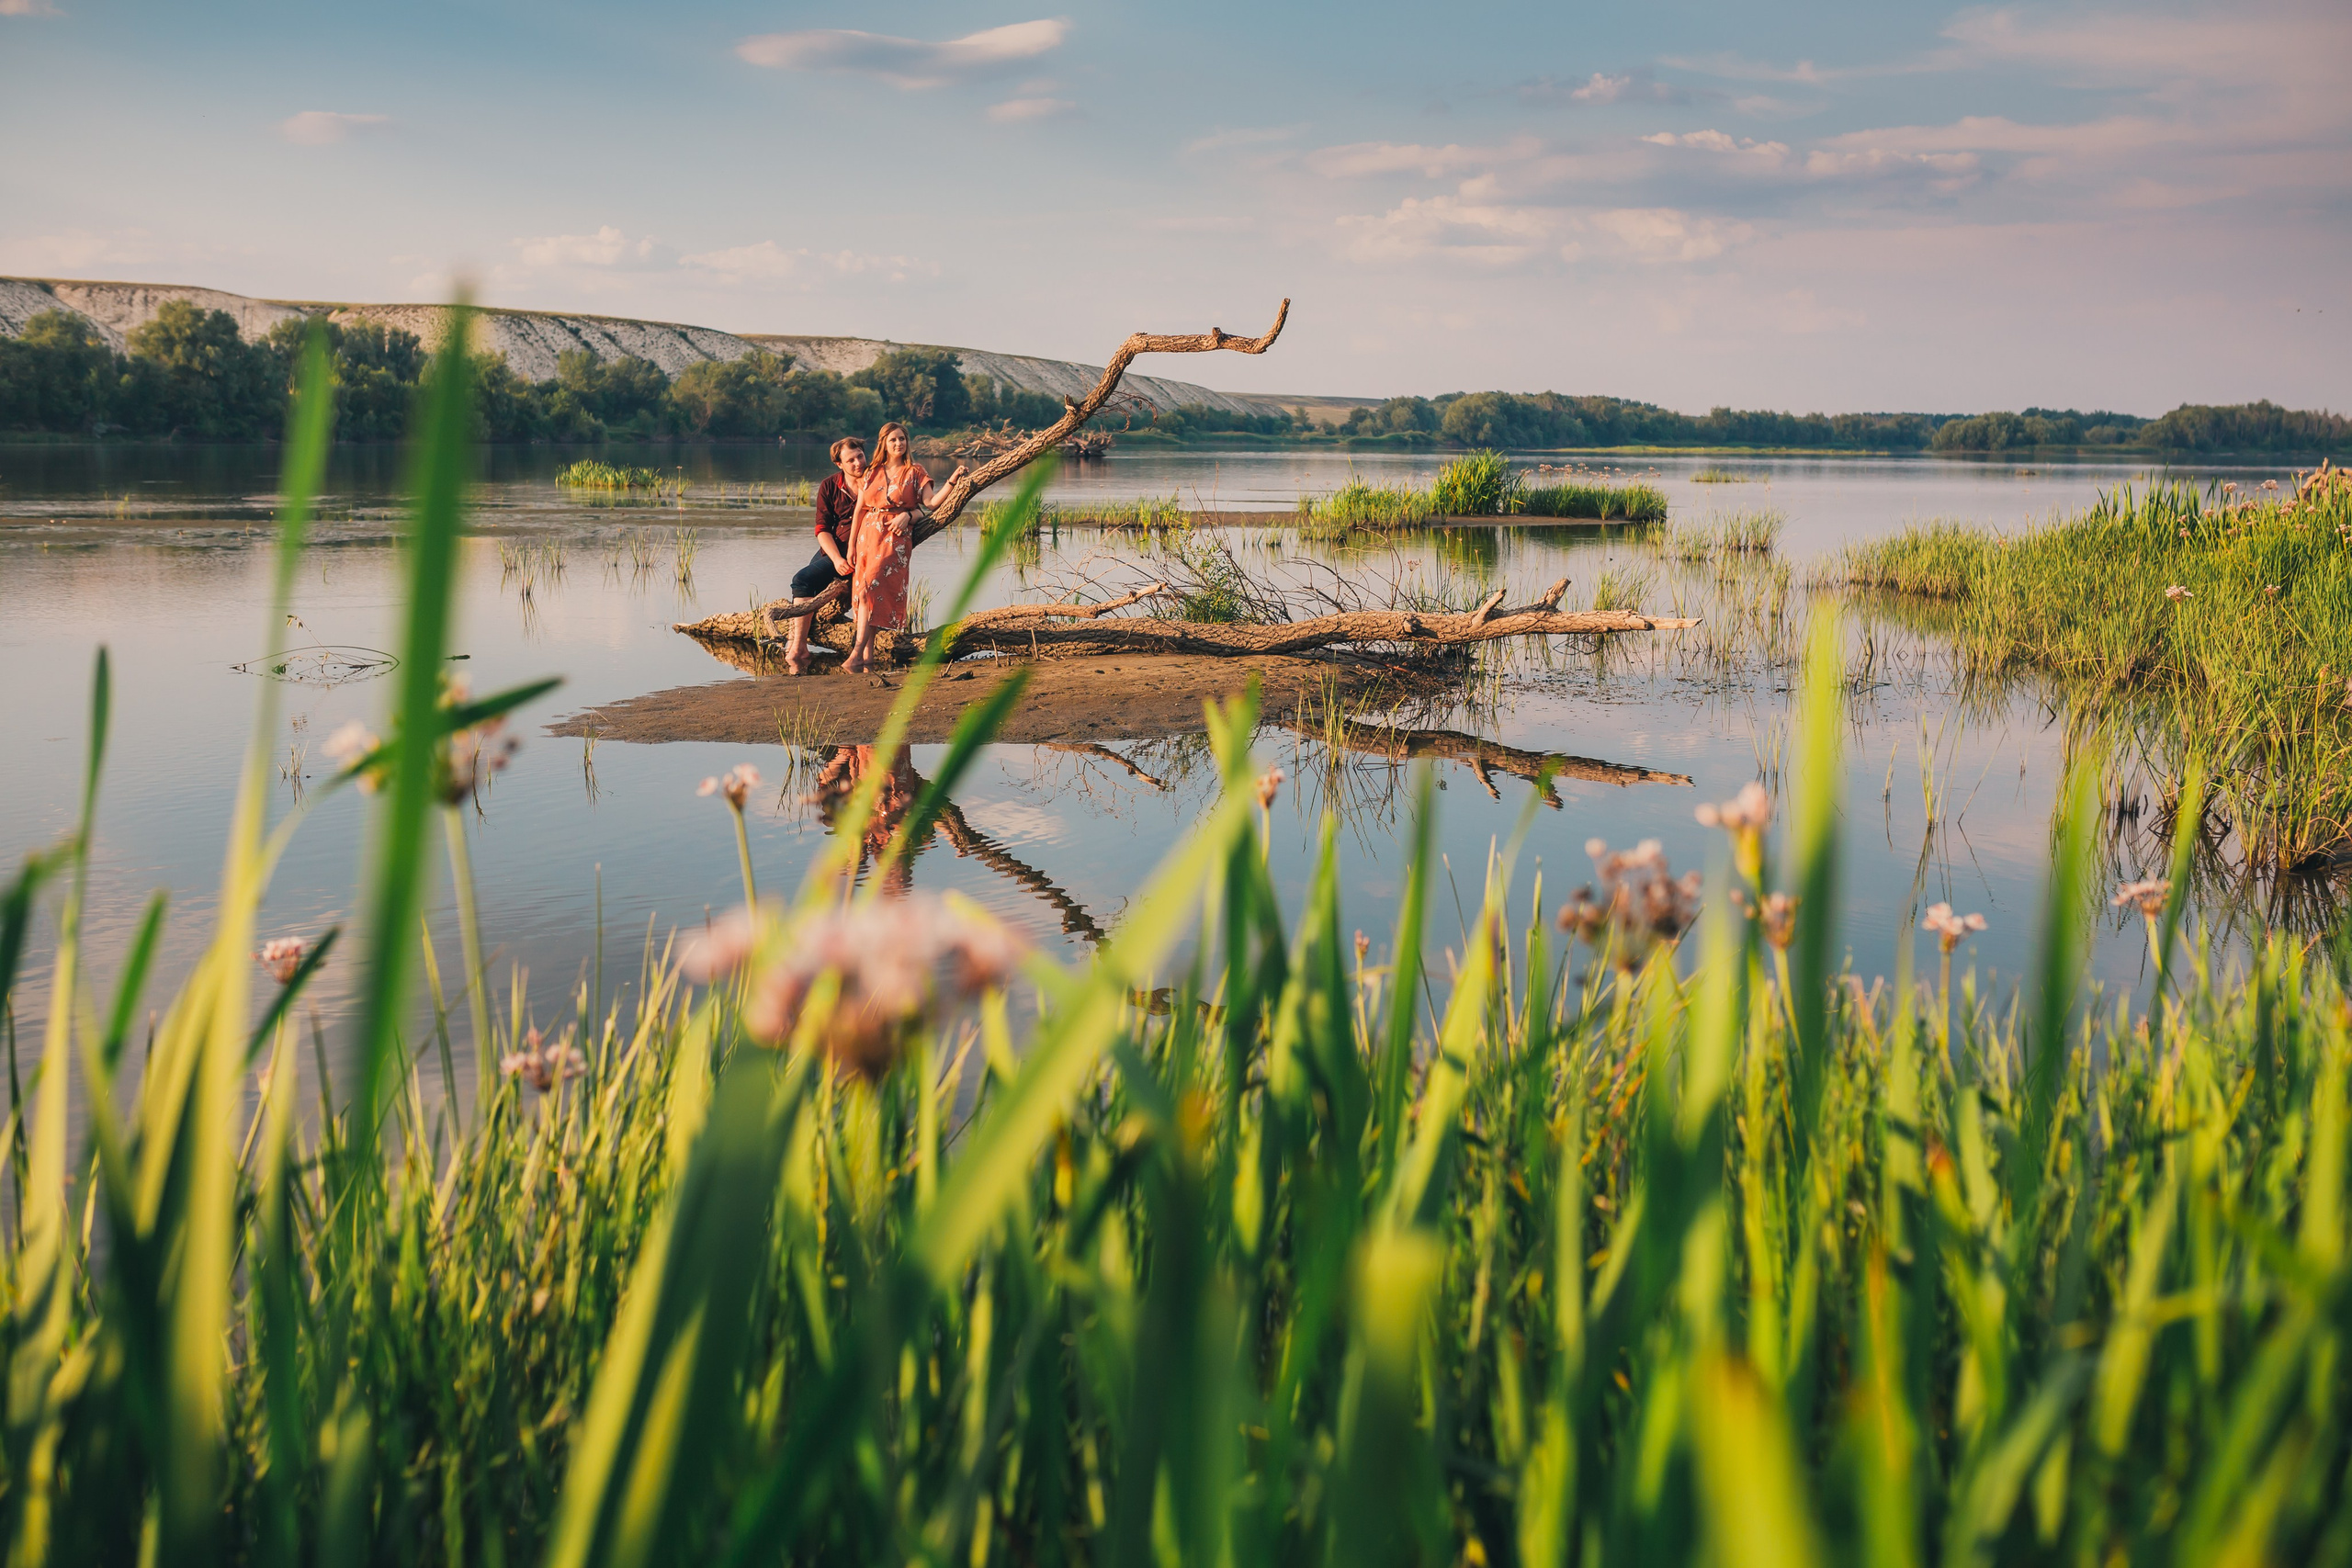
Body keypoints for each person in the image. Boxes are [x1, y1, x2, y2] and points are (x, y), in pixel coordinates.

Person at [843, 422, 967, 674]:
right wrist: (851, 547)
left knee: (871, 588)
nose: (898, 444)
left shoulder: (915, 472)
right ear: (884, 444)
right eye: (893, 440)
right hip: (867, 538)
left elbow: (931, 503)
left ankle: (856, 652)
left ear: (907, 442)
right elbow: (859, 511)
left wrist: (952, 482)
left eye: (901, 439)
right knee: (865, 595)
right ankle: (867, 658)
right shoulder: (871, 471)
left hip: (892, 539)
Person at [767, 435, 865, 674]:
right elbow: (822, 529)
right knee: (804, 583)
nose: (857, 463)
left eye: (860, 456)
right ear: (839, 465)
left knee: (802, 580)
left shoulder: (876, 481)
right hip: (836, 549)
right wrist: (837, 560)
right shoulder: (830, 485)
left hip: (865, 549)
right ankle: (799, 647)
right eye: (850, 460)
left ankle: (798, 648)